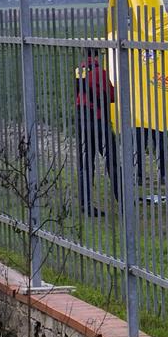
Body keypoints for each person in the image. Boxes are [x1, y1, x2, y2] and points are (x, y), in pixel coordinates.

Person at [74, 49, 120, 217]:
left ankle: (85, 204)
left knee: (85, 165)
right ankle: (122, 199)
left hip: (82, 122)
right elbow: (112, 95)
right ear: (97, 55)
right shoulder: (100, 72)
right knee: (112, 162)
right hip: (99, 122)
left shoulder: (79, 71)